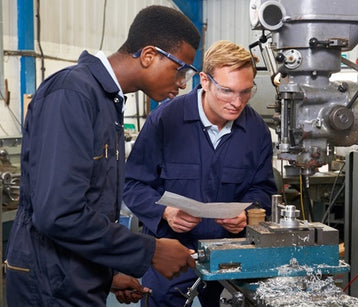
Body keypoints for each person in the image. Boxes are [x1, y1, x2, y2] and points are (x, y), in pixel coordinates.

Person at [5, 5, 201, 306]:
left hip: (75, 277)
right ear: (149, 55)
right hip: (49, 287)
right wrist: (151, 251)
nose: (182, 83)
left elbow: (89, 204)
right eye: (180, 69)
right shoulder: (72, 94)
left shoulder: (107, 102)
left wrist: (106, 275)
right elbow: (58, 214)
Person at [124, 40, 277, 306]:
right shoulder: (165, 121)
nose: (237, 102)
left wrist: (247, 214)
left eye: (245, 91)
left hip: (232, 257)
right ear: (204, 80)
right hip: (172, 255)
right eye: (227, 91)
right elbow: (133, 184)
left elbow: (263, 189)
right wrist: (165, 213)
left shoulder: (256, 131)